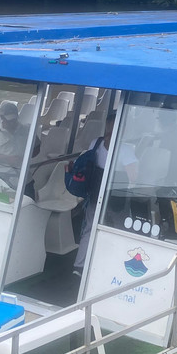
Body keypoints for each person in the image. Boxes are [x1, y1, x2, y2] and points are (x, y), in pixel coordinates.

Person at [73, 112, 137, 275]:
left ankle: (79, 265)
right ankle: (113, 266)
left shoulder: (96, 143)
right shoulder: (125, 150)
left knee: (89, 229)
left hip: (95, 193)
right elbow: (133, 177)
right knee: (118, 230)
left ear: (107, 125)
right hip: (115, 197)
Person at [0, 100, 38, 191]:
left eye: (14, 120)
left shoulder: (28, 130)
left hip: (24, 177)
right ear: (2, 118)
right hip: (3, 177)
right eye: (9, 121)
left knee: (30, 198)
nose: (12, 123)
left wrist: (27, 156)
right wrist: (8, 159)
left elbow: (37, 149)